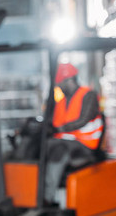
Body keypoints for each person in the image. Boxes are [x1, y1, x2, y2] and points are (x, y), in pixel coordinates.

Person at [44, 63, 104, 202]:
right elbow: (54, 123)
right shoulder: (61, 101)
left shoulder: (88, 95)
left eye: (60, 84)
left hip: (86, 144)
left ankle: (48, 198)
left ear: (69, 80)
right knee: (44, 146)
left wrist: (60, 129)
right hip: (67, 142)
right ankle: (41, 192)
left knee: (58, 149)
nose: (58, 87)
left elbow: (83, 119)